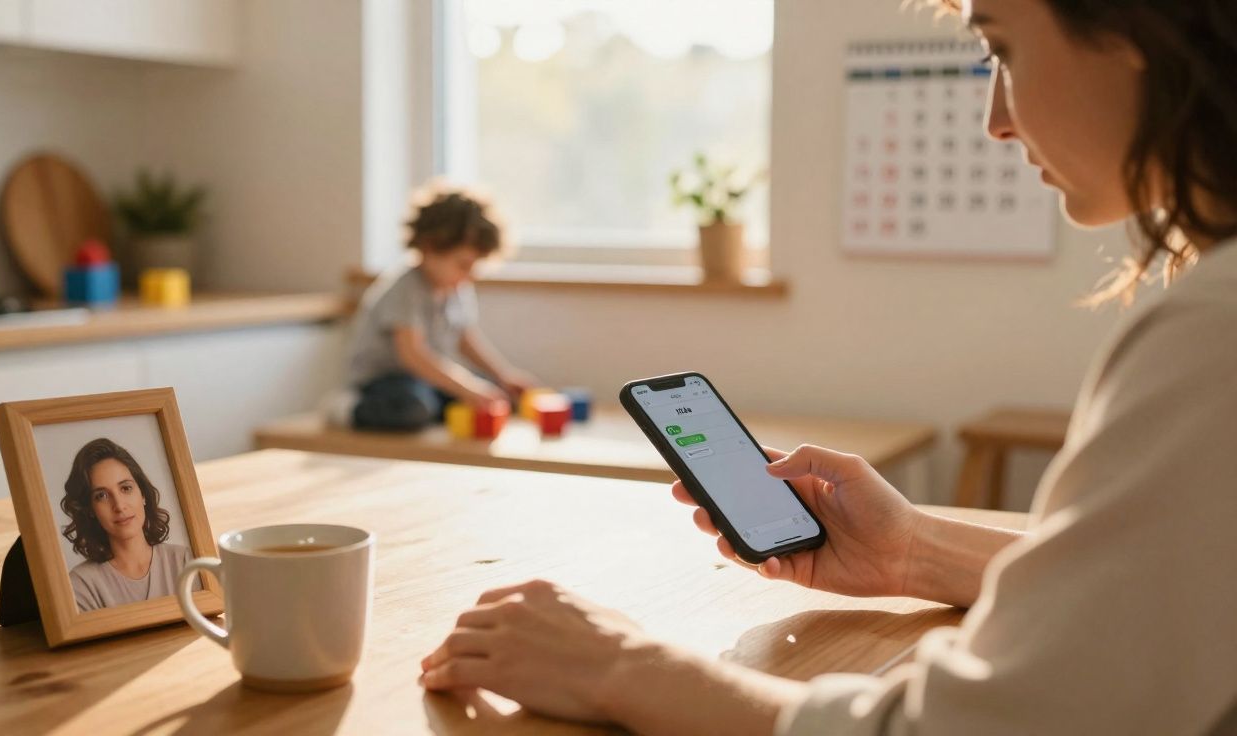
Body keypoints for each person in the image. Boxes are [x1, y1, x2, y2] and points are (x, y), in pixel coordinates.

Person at [419, 1, 1237, 733]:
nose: (994, 119)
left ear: (1132, 27)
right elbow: (1169, 609)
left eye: (1002, 51)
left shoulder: (1212, 326)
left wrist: (624, 667)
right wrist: (913, 550)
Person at [339, 184, 536, 431]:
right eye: (463, 265)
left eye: (476, 267)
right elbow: (412, 354)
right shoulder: (405, 288)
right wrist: (467, 387)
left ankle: (439, 406)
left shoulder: (455, 287)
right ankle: (348, 409)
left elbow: (466, 339)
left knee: (495, 396)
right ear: (429, 248)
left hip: (424, 378)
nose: (470, 276)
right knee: (415, 406)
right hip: (386, 381)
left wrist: (502, 376)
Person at [61, 438, 194, 613]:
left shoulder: (186, 562)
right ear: (90, 510)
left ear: (143, 494)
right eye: (101, 496)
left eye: (126, 488)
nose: (119, 506)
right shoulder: (81, 586)